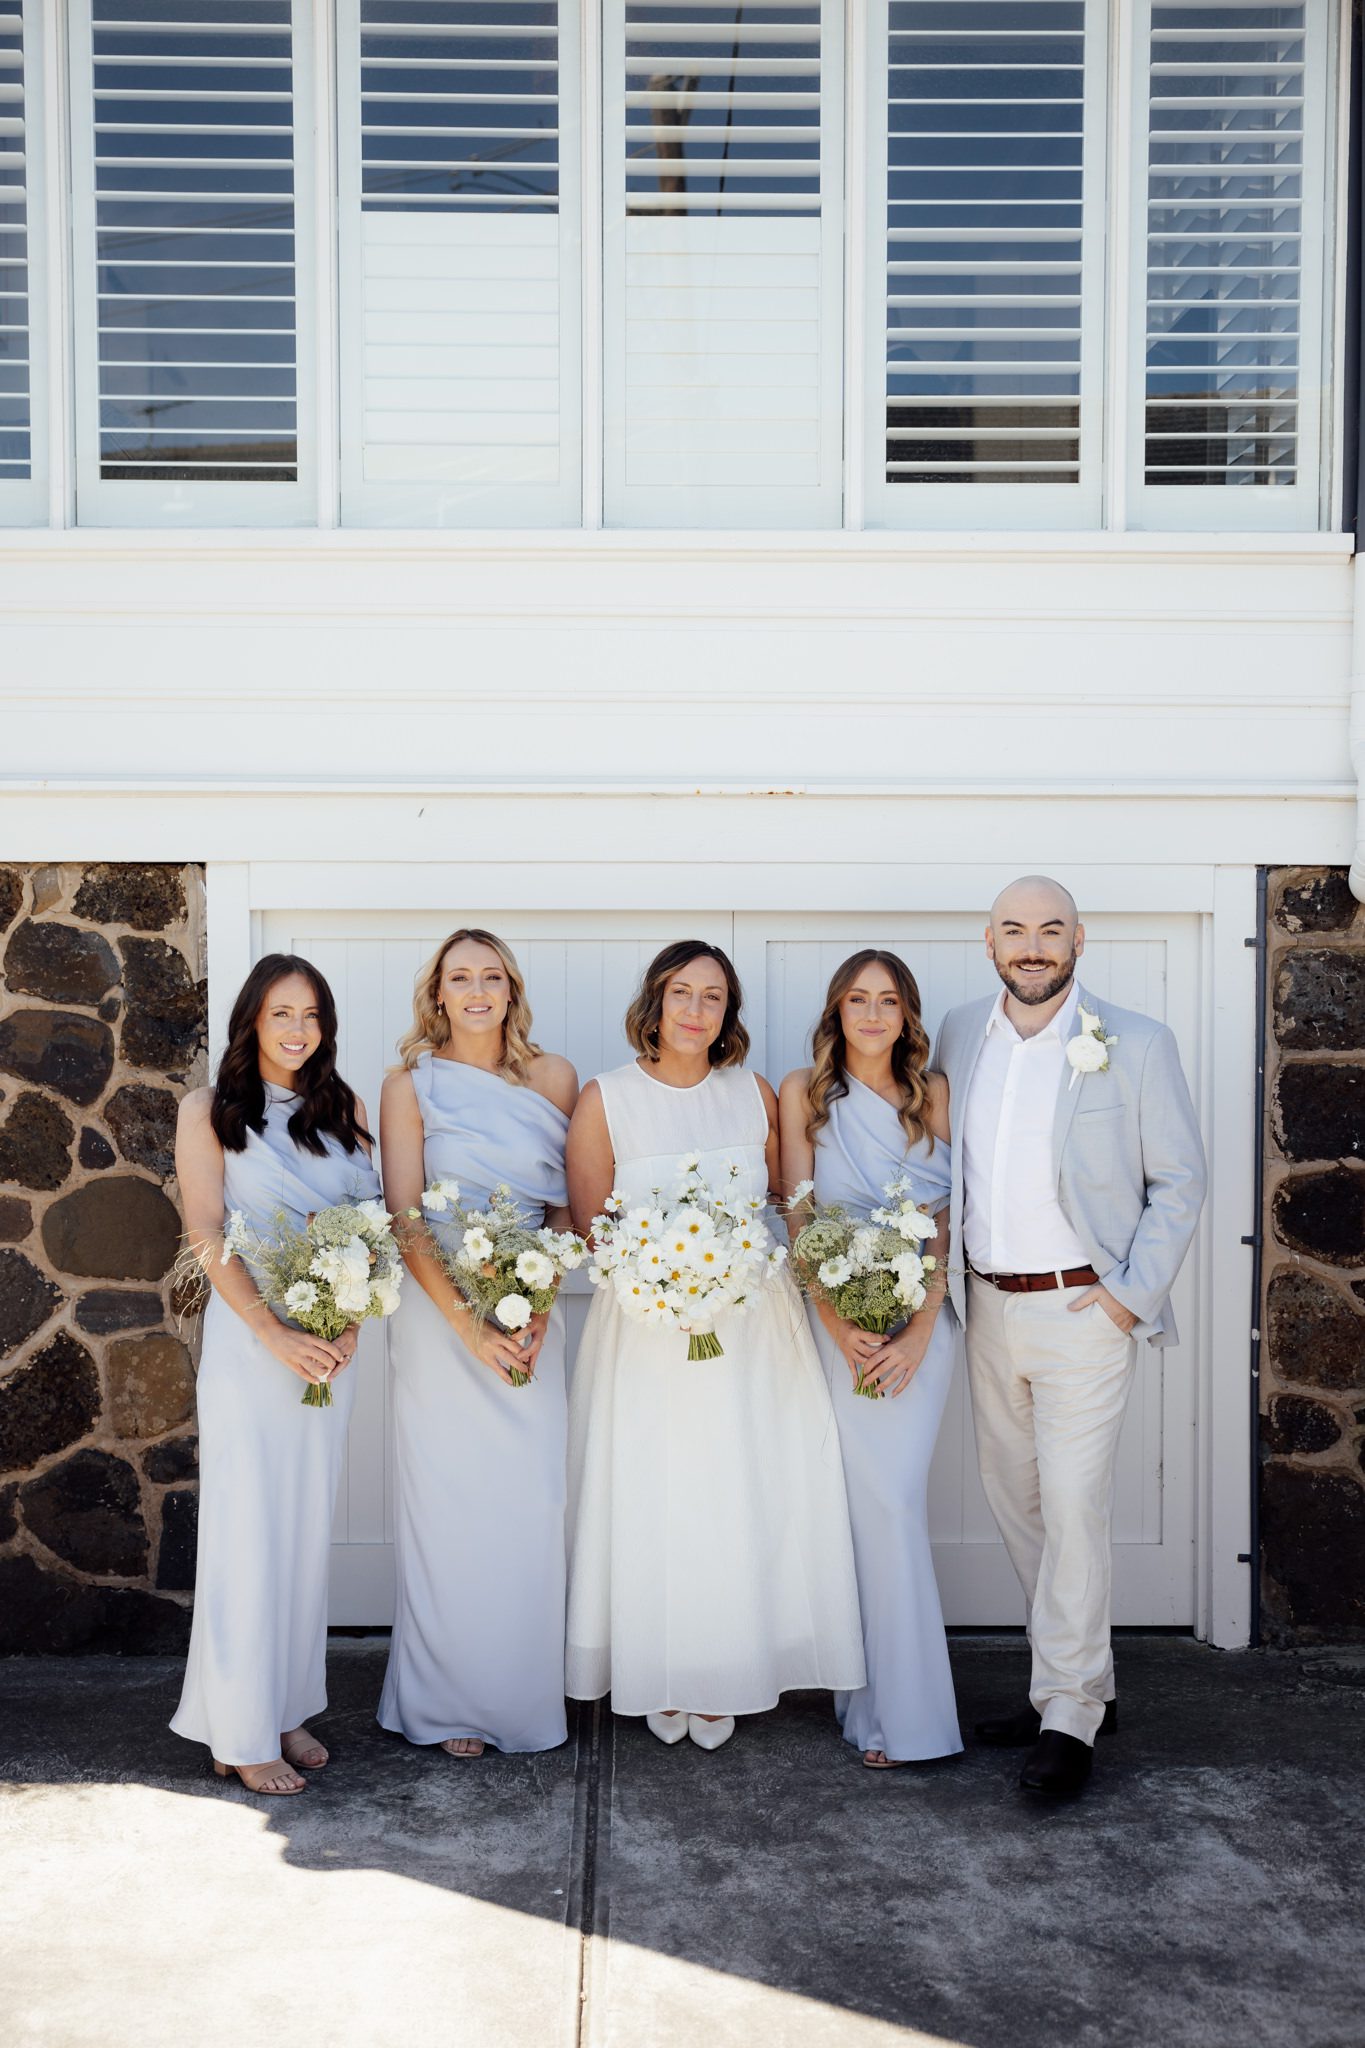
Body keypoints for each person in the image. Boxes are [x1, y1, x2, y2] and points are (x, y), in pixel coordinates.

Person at [935, 877, 1206, 1800]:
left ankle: (1070, 1716)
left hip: (1084, 1313)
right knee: (1019, 1508)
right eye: (1014, 930)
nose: (1032, 945)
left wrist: (1128, 1298)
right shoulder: (958, 1035)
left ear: (1079, 941)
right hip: (986, 1309)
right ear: (988, 943)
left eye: (1050, 929)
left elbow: (1179, 1181)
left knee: (1073, 1508)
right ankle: (1070, 1681)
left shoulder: (1135, 1042)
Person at [564, 940, 865, 1751]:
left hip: (750, 1328)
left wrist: (724, 1272)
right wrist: (667, 1282)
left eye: (713, 996)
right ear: (654, 1002)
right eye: (681, 992)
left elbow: (777, 1201)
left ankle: (728, 1666)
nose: (695, 1010)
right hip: (647, 1330)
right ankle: (657, 1667)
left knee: (741, 1490)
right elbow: (594, 1230)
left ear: (728, 1012)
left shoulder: (752, 1093)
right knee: (657, 1492)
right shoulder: (606, 1098)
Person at [172, 955, 379, 1795]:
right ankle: (239, 1728)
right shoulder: (208, 1110)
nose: (298, 1030)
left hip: (328, 1348)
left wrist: (350, 1321)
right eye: (281, 1013)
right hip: (252, 1347)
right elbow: (205, 1229)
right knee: (247, 1530)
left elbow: (369, 1226)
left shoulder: (345, 1108)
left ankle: (285, 1706)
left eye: (311, 1015)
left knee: (302, 1530)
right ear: (252, 1020)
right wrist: (270, 1331)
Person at [378, 929, 578, 1759]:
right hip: (439, 1317)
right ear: (438, 993)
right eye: (459, 977)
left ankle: (519, 1697)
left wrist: (537, 1301)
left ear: (510, 989)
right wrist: (467, 1322)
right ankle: (447, 1702)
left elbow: (565, 1204)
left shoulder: (555, 1077)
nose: (476, 991)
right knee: (448, 1506)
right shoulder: (407, 1084)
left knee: (531, 1503)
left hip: (529, 1309)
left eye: (491, 976)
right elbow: (404, 1215)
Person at [779, 949, 962, 1769]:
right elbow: (797, 1213)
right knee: (854, 1510)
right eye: (857, 999)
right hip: (836, 1327)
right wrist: (833, 1319)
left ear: (906, 1015)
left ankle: (908, 1715)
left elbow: (947, 1216)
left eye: (888, 1000)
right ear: (836, 1011)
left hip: (921, 1324)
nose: (873, 1014)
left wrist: (920, 1326)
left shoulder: (934, 1095)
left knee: (892, 1505)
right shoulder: (804, 1092)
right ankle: (866, 1706)